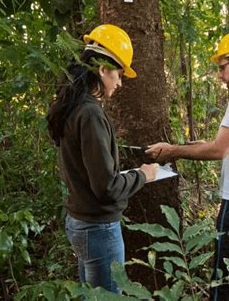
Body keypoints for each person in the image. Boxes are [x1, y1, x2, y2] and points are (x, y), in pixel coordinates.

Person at [146, 32, 229, 300]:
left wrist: (173, 151)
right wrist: (197, 144)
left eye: (222, 67)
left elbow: (219, 150)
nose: (219, 75)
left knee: (225, 280)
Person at [46, 24, 157, 293]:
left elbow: (90, 174)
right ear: (103, 69)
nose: (119, 83)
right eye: (118, 74)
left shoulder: (71, 106)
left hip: (80, 222)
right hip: (98, 229)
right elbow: (106, 187)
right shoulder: (90, 114)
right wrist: (144, 174)